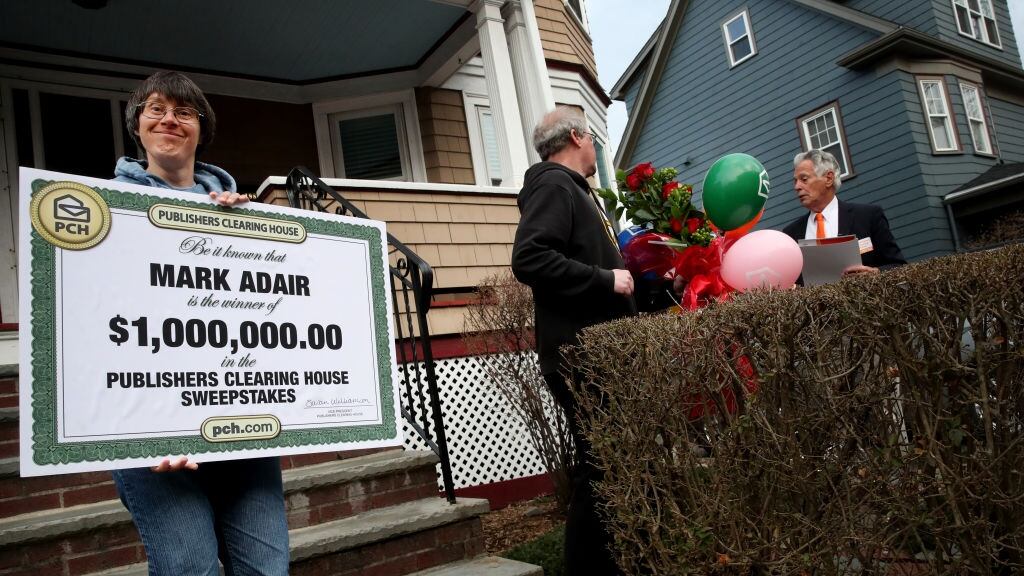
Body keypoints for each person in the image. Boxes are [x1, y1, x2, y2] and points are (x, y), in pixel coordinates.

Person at [111, 71, 288, 576]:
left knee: (266, 571)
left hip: (244, 435)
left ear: (201, 128)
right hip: (155, 439)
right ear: (138, 125)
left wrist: (250, 233)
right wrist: (145, 427)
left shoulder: (240, 214)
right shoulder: (110, 210)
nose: (170, 119)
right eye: (156, 109)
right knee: (191, 570)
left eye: (184, 112)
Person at [511, 106, 636, 575]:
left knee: (610, 461)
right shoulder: (553, 184)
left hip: (599, 350)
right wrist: (607, 280)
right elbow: (530, 257)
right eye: (593, 139)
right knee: (601, 464)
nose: (596, 149)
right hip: (583, 355)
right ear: (579, 137)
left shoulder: (576, 191)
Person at [783, 149, 906, 274]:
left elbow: (899, 267)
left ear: (828, 178)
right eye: (795, 181)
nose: (797, 187)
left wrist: (875, 273)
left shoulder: (868, 217)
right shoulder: (790, 235)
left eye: (804, 179)